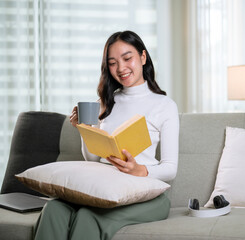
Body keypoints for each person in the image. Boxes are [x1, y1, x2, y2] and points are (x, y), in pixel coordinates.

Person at [33, 30, 179, 240]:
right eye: (112, 63)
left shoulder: (164, 106)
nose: (121, 68)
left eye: (127, 58)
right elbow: (93, 159)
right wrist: (86, 130)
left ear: (143, 57)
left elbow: (170, 168)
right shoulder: (104, 102)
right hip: (103, 187)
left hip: (146, 194)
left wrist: (139, 170)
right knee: (54, 210)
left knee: (87, 216)